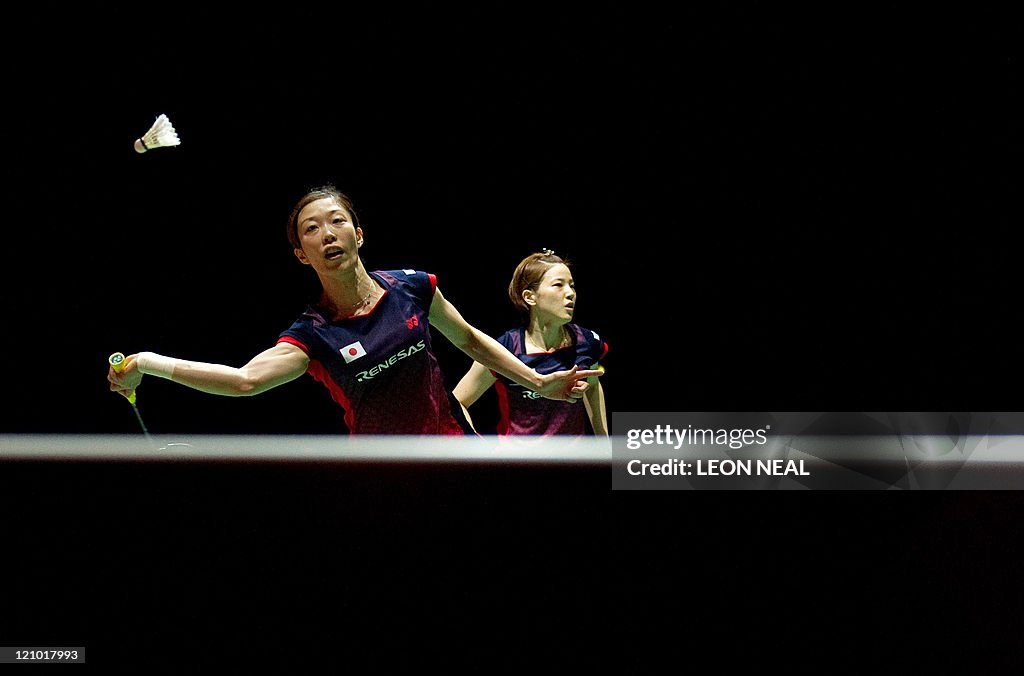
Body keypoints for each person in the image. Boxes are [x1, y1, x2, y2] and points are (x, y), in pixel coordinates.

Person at [107, 185, 600, 435]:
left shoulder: (411, 287)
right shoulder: (314, 335)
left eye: (336, 221)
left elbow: (470, 340)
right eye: (311, 229)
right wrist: (149, 363)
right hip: (382, 472)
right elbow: (245, 381)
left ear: (358, 234)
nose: (326, 234)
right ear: (302, 254)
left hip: (454, 449)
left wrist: (537, 383)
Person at [452, 250, 608, 437]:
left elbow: (592, 386)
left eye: (572, 286)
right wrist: (477, 445)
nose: (570, 293)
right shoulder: (505, 349)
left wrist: (603, 442)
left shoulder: (587, 342)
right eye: (559, 285)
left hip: (570, 462)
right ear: (530, 297)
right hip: (518, 462)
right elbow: (458, 400)